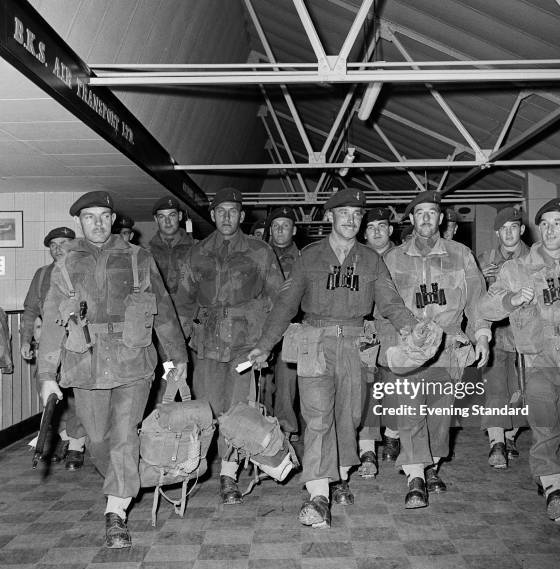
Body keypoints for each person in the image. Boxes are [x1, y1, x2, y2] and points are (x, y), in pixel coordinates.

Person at [248, 188, 416, 529]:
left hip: (357, 344)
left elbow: (390, 303)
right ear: (330, 217)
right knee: (318, 418)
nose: (351, 221)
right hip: (315, 343)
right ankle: (318, 495)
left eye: (357, 215)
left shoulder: (371, 260)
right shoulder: (309, 257)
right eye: (344, 214)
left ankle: (339, 476)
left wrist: (412, 329)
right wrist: (265, 344)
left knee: (350, 417)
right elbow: (285, 304)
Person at [38, 191, 188, 548]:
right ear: (79, 222)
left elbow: (164, 312)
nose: (98, 223)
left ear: (113, 218)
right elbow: (52, 324)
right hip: (86, 364)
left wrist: (177, 357)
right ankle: (124, 480)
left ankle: (116, 511)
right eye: (90, 217)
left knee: (124, 434)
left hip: (133, 361)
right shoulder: (65, 265)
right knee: (98, 438)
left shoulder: (139, 257)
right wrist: (46, 376)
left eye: (104, 216)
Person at [478, 198, 560, 524]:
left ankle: (552, 478)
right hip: (537, 361)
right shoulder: (519, 268)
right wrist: (511, 299)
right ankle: (554, 489)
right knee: (544, 427)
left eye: (558, 222)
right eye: (546, 223)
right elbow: (486, 307)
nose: (551, 229)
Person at [174, 187, 283, 505]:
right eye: (220, 211)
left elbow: (278, 299)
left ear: (242, 215)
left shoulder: (260, 252)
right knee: (208, 409)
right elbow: (183, 303)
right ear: (212, 215)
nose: (226, 216)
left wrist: (266, 345)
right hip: (206, 344)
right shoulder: (195, 254)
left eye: (232, 211)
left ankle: (229, 474)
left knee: (239, 411)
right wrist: (175, 354)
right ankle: (196, 464)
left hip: (244, 346)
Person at [383, 190, 490, 509]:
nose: (426, 218)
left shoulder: (461, 254)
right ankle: (415, 474)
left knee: (440, 415)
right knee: (411, 409)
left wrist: (481, 334)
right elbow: (385, 304)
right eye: (420, 213)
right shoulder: (393, 257)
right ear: (411, 219)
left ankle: (432, 467)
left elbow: (477, 300)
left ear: (441, 218)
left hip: (450, 344)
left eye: (432, 212)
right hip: (411, 344)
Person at [20, 226, 86, 470]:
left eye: (64, 243)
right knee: (50, 395)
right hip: (49, 346)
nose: (58, 248)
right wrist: (27, 339)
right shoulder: (42, 274)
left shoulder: (84, 271)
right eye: (53, 244)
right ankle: (63, 438)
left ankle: (77, 445)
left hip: (78, 346)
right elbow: (29, 311)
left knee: (79, 396)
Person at [477, 207, 530, 469]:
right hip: (496, 335)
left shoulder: (536, 258)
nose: (509, 233)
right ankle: (496, 441)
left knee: (522, 390)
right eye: (503, 228)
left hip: (527, 336)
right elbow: (474, 301)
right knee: (496, 388)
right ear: (497, 232)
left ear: (521, 230)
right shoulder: (484, 259)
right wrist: (481, 280)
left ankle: (510, 437)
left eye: (514, 227)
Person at [359, 207, 401, 473]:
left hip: (394, 328)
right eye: (371, 227)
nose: (377, 231)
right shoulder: (355, 257)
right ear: (364, 232)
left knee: (397, 387)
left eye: (382, 226)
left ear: (391, 230)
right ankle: (367, 449)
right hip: (363, 328)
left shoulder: (404, 257)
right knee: (366, 390)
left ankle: (393, 435)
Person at [266, 207, 300, 440]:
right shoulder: (258, 254)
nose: (280, 230)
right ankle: (264, 427)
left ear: (294, 230)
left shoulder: (303, 258)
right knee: (262, 383)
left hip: (291, 327)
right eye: (276, 225)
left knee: (287, 380)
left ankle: (287, 427)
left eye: (285, 225)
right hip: (263, 326)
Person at [149, 196, 194, 297]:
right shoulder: (146, 253)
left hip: (189, 310)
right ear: (156, 219)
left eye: (172, 215)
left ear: (180, 216)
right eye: (161, 217)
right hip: (159, 310)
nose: (167, 221)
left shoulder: (198, 249)